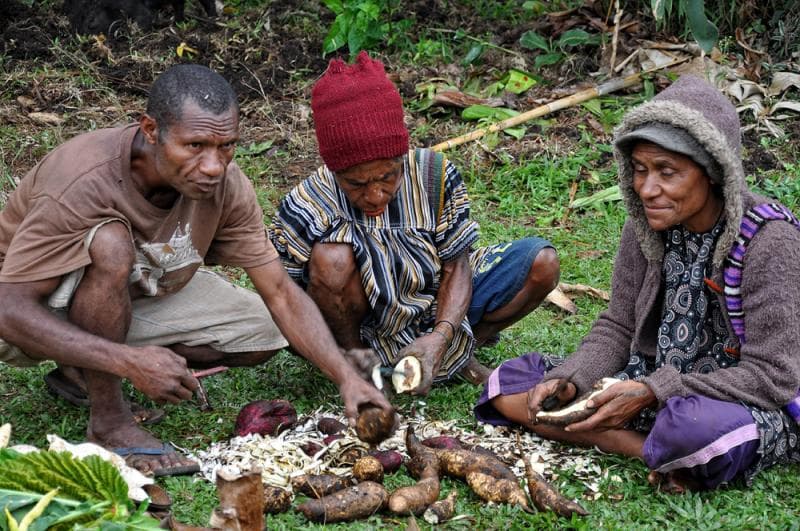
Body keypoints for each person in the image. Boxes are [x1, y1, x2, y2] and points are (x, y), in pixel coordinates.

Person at [0, 64, 390, 477]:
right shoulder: (83, 179)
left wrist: (347, 377)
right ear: (151, 130)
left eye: (226, 146)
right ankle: (110, 421)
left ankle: (81, 370)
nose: (213, 166)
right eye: (195, 145)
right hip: (33, 307)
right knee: (111, 245)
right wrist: (129, 362)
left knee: (262, 330)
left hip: (138, 290)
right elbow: (8, 307)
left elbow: (279, 291)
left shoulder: (226, 185)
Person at [474, 75, 800, 492]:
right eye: (640, 170)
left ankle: (670, 445)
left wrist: (655, 390)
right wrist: (574, 377)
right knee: (513, 384)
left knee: (694, 430)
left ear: (715, 173)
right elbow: (619, 325)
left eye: (668, 172)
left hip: (736, 400)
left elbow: (773, 376)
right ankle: (649, 450)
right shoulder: (645, 228)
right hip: (649, 381)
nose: (647, 189)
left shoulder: (769, 242)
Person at [269, 51, 560, 395]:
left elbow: (457, 266)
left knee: (541, 263)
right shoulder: (308, 203)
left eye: (387, 177)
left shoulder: (435, 176)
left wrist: (441, 335)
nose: (376, 195)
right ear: (335, 172)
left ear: (401, 159)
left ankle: (450, 353)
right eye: (356, 184)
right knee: (332, 261)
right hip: (360, 326)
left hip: (434, 303)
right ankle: (361, 365)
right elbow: (283, 296)